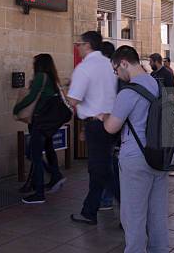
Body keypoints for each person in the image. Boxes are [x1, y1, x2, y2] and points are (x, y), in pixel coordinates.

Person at [99, 45, 168, 253]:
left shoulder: (128, 92)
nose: (117, 75)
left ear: (123, 63)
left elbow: (112, 127)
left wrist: (103, 117)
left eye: (115, 70)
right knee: (157, 215)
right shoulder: (158, 85)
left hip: (136, 160)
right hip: (159, 156)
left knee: (133, 216)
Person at [68, 31, 117, 225]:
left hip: (96, 125)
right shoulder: (108, 65)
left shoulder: (84, 68)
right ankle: (90, 210)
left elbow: (74, 99)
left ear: (87, 45)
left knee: (101, 170)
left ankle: (132, 213)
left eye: (78, 44)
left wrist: (64, 91)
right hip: (110, 123)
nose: (76, 47)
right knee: (103, 169)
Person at [13, 54, 66, 204]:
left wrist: (17, 108)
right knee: (48, 149)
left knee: (33, 154)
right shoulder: (52, 78)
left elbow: (31, 97)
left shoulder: (40, 77)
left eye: (35, 62)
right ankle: (55, 176)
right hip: (50, 122)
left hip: (40, 121)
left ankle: (40, 192)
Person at [98, 41, 120, 210]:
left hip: (107, 124)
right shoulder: (115, 73)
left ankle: (108, 198)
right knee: (110, 163)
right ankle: (108, 198)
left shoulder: (106, 73)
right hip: (115, 125)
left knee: (107, 164)